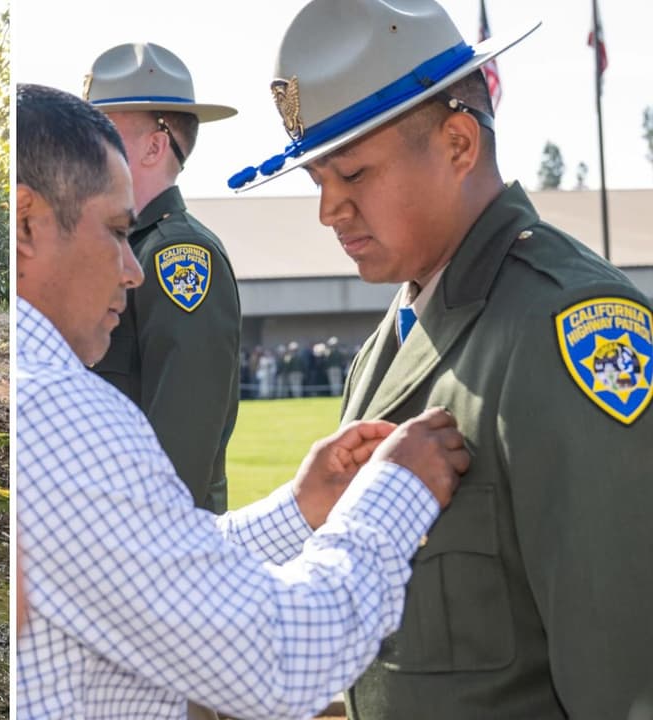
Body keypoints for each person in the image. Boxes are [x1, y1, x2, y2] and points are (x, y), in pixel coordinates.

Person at [230, 0, 653, 717]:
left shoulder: (569, 330)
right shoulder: (386, 345)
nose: (329, 210)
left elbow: (622, 679)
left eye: (354, 174)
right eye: (317, 182)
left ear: (459, 144)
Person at [16, 82, 471, 720]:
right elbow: (277, 659)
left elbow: (140, 552)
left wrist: (300, 508)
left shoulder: (42, 392)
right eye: (116, 233)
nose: (133, 269)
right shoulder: (67, 415)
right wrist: (393, 497)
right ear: (26, 223)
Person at [84, 43, 240, 516]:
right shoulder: (115, 249)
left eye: (101, 135)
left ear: (155, 145)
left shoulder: (178, 258)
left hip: (153, 567)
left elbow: (177, 461)